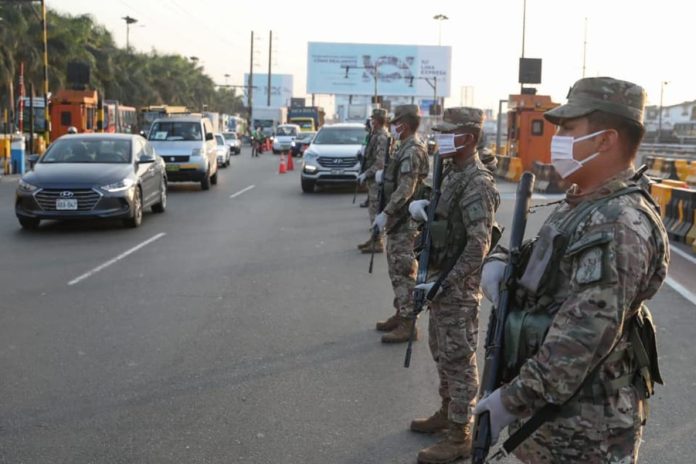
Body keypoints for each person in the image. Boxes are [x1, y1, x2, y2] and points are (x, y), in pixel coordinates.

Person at [474, 77, 669, 463]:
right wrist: (499, 263)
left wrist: (510, 401)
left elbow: (581, 339)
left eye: (568, 128)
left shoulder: (618, 223)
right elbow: (544, 263)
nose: (556, 136)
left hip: (587, 434)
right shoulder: (582, 202)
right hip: (551, 420)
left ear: (604, 140)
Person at [407, 108, 500, 464]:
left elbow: (479, 245)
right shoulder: (449, 171)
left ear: (470, 138)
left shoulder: (477, 182)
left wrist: (444, 283)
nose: (441, 138)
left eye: (449, 133)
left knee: (459, 359)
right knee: (440, 350)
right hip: (441, 280)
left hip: (457, 286)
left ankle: (461, 433)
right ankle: (448, 412)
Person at [372, 104, 429, 343]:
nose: (393, 126)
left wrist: (386, 212)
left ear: (404, 124)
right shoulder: (404, 146)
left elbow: (407, 188)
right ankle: (401, 312)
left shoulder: (412, 150)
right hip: (399, 220)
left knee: (404, 271)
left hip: (405, 222)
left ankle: (408, 323)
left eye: (396, 122)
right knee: (396, 270)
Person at [356, 108, 390, 253]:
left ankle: (378, 242)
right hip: (372, 180)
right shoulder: (374, 134)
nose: (371, 122)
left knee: (375, 211)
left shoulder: (382, 137)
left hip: (376, 180)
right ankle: (374, 238)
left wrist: (366, 174)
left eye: (373, 119)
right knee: (372, 210)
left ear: (379, 121)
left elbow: (380, 163)